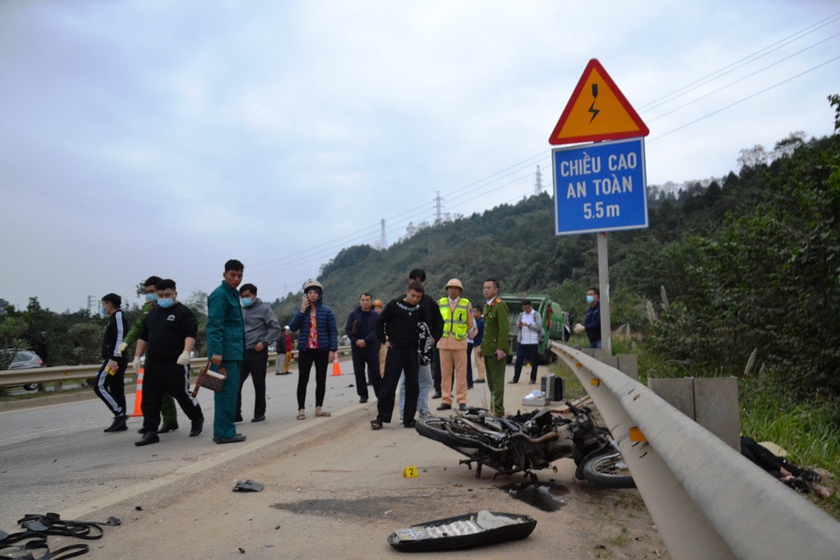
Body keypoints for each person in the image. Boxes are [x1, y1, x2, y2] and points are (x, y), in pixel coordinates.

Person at [133, 279, 204, 446]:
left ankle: (196, 418)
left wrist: (186, 352)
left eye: (167, 295)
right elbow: (143, 337)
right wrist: (137, 356)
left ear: (175, 294)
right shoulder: (152, 314)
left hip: (176, 362)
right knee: (150, 397)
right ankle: (150, 430)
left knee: (181, 394)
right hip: (154, 363)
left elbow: (190, 334)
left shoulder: (183, 313)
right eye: (160, 295)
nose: (164, 297)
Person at [119, 275, 179, 434]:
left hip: (171, 356)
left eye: (152, 292)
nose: (150, 295)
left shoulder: (175, 309)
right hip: (152, 355)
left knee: (176, 392)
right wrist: (126, 343)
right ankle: (153, 425)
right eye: (148, 292)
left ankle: (184, 419)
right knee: (152, 392)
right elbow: (139, 328)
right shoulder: (148, 308)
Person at [371, 282, 427, 430]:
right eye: (413, 295)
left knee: (413, 385)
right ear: (407, 292)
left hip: (412, 351)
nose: (415, 299)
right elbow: (380, 322)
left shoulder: (420, 309)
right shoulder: (394, 305)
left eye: (418, 297)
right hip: (395, 349)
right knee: (389, 384)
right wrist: (384, 340)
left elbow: (424, 328)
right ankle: (381, 417)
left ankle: (409, 419)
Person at [207, 259, 247, 444]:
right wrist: (216, 351)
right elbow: (215, 325)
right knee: (224, 394)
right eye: (233, 275)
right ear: (224, 275)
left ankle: (227, 429)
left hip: (234, 352)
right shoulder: (220, 295)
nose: (236, 279)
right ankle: (223, 433)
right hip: (224, 354)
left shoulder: (233, 294)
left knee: (230, 394)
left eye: (239, 275)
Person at [288, 279, 338, 420]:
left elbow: (332, 332)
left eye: (315, 292)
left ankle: (318, 408)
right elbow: (292, 327)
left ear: (320, 295)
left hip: (322, 350)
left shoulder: (327, 312)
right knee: (303, 380)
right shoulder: (301, 311)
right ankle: (301, 410)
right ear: (306, 295)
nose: (313, 295)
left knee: (321, 380)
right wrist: (302, 310)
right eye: (310, 292)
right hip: (305, 350)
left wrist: (332, 350)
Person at [398, 269, 443, 420]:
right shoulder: (399, 303)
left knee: (425, 380)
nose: (418, 284)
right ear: (409, 281)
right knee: (406, 382)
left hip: (424, 349)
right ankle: (404, 411)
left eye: (421, 281)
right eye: (415, 281)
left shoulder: (429, 302)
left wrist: (434, 338)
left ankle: (423, 408)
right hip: (406, 349)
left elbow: (438, 322)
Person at [237, 283, 281, 423]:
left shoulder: (264, 310)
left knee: (259, 383)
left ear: (254, 295)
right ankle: (235, 414)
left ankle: (259, 413)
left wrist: (264, 342)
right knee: (236, 383)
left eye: (247, 296)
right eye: (242, 297)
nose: (245, 299)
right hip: (242, 353)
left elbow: (275, 328)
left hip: (258, 352)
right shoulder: (240, 310)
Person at [436, 278, 475, 412]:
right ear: (447, 290)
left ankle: (462, 400)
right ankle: (446, 400)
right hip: (444, 343)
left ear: (460, 291)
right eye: (451, 288)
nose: (453, 290)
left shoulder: (466, 304)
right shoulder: (440, 303)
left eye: (456, 288)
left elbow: (470, 323)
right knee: (445, 374)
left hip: (459, 343)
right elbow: (436, 322)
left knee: (461, 374)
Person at [94, 293, 130, 433]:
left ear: (109, 304)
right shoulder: (113, 318)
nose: (103, 308)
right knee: (116, 388)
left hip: (115, 359)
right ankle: (121, 422)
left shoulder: (119, 317)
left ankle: (119, 413)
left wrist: (115, 358)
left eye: (103, 305)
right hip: (114, 358)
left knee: (99, 385)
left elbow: (120, 337)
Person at [479, 279, 509, 417]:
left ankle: (498, 411)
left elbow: (503, 329)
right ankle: (493, 408)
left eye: (489, 288)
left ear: (496, 290)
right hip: (488, 350)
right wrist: (482, 347)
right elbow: (487, 330)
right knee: (491, 382)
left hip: (496, 350)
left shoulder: (499, 305)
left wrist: (501, 348)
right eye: (484, 288)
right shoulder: (486, 306)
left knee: (497, 382)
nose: (486, 290)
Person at [345, 293, 381, 403]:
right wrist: (357, 341)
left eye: (367, 300)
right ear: (360, 301)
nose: (365, 302)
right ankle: (363, 395)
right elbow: (348, 330)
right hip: (357, 349)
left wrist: (366, 340)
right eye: (363, 300)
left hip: (371, 348)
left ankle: (380, 394)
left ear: (371, 301)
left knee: (375, 372)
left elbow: (377, 330)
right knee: (359, 372)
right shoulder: (353, 314)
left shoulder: (375, 316)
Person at [511, 299, 544, 384]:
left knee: (534, 361)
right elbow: (517, 326)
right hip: (523, 341)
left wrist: (529, 325)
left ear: (530, 306)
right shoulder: (522, 315)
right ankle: (515, 378)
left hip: (533, 341)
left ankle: (533, 379)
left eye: (527, 308)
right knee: (519, 360)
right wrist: (519, 325)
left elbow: (539, 327)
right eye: (524, 308)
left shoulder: (536, 315)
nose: (526, 310)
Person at [467, 305, 485, 385]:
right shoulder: (476, 321)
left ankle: (481, 377)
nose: (473, 313)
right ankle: (480, 376)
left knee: (479, 361)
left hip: (479, 343)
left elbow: (476, 331)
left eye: (474, 311)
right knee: (478, 361)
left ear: (479, 312)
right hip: (476, 342)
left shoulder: (481, 322)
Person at [373, 299, 386, 377]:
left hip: (382, 341)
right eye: (376, 308)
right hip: (373, 341)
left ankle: (382, 374)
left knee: (382, 359)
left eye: (379, 308)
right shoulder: (371, 318)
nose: (377, 310)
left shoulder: (384, 318)